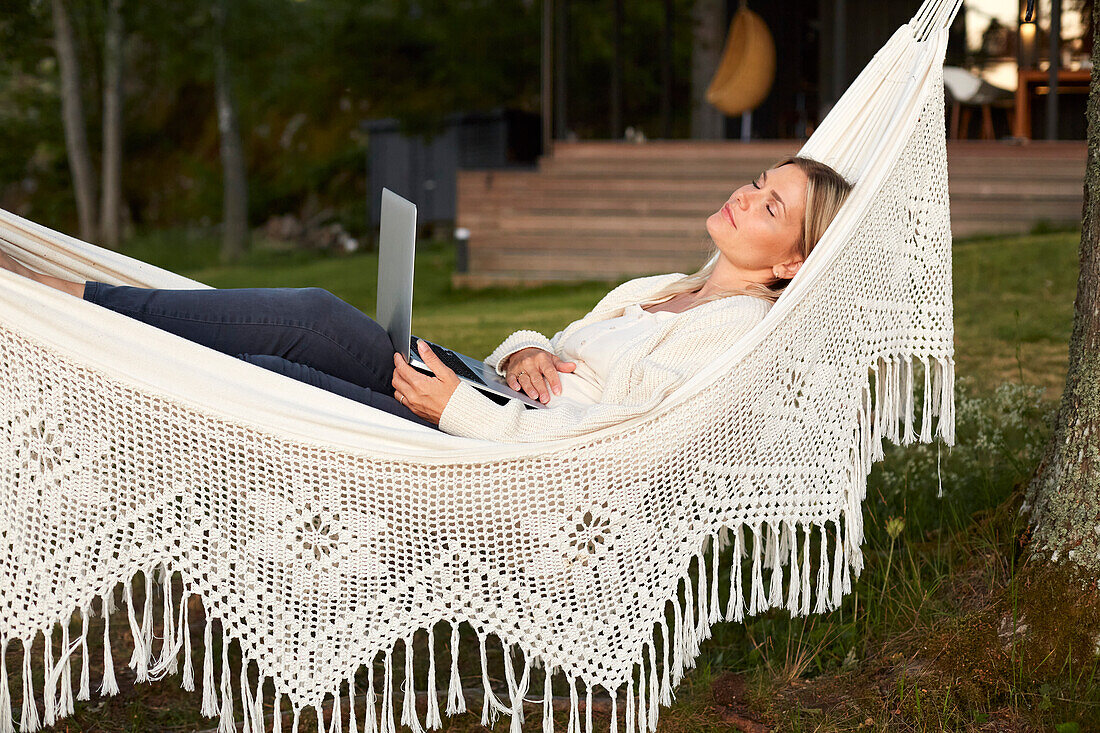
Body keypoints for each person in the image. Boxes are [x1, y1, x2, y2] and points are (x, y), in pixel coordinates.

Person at [0, 155, 851, 442]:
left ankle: (62, 331)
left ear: (791, 262)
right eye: (755, 181)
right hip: (485, 388)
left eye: (769, 206)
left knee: (266, 369)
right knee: (311, 313)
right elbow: (557, 348)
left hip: (491, 443)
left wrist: (463, 413)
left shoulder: (738, 330)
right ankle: (61, 294)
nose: (744, 197)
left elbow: (628, 440)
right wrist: (521, 351)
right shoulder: (664, 288)